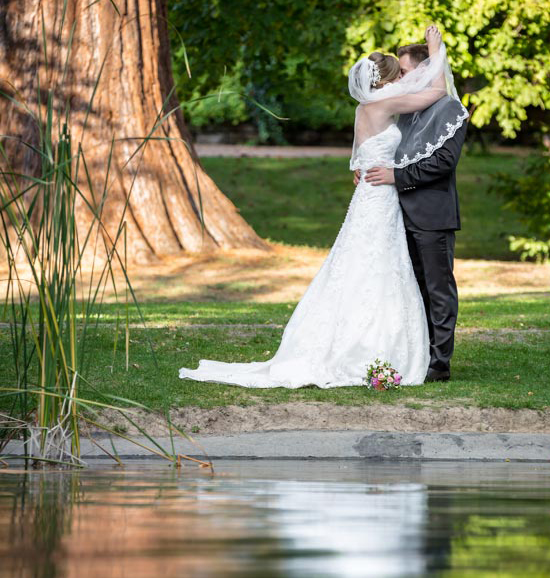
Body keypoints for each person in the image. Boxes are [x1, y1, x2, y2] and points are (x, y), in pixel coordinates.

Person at [178, 28, 462, 389]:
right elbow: (437, 90)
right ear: (389, 82)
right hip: (382, 197)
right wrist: (437, 50)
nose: (408, 81)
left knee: (364, 269)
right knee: (376, 271)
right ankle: (373, 348)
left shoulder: (366, 109)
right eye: (402, 76)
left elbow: (358, 158)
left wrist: (361, 170)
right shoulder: (386, 105)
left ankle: (370, 345)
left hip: (374, 198)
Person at [362, 27, 469, 382]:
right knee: (410, 288)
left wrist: (396, 176)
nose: (399, 80)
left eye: (405, 73)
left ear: (426, 69)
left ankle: (440, 362)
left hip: (431, 215)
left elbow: (442, 163)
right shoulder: (405, 110)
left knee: (437, 288)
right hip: (395, 215)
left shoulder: (450, 108)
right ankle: (415, 353)